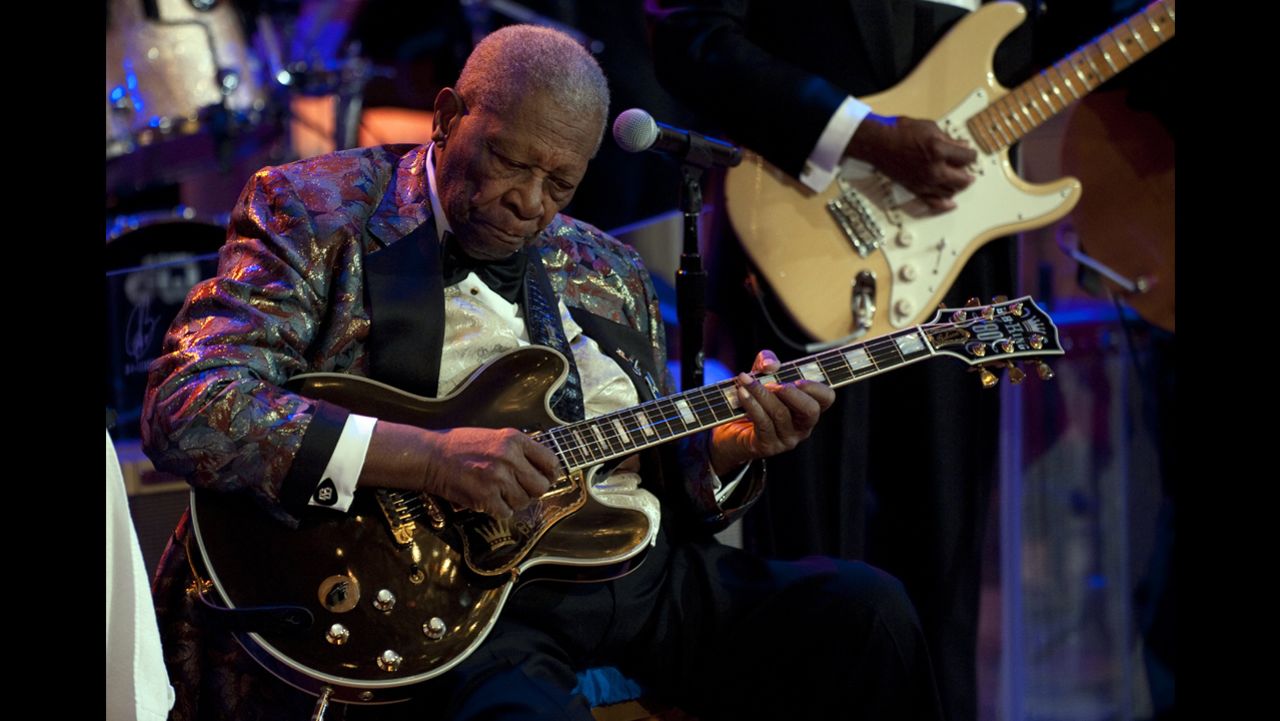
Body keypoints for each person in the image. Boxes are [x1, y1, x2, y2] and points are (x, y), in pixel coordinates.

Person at [143, 24, 947, 721]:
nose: (530, 201)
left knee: (867, 613)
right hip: (466, 600)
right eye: (508, 162)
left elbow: (667, 471)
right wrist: (430, 456)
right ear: (450, 116)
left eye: (560, 182)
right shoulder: (316, 210)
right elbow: (190, 405)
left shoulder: (610, 266)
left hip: (637, 569)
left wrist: (729, 449)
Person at [648, 4, 1033, 721]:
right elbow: (687, 29)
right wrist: (864, 135)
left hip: (961, 239)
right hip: (805, 230)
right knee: (818, 562)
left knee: (945, 567)